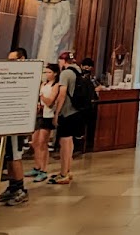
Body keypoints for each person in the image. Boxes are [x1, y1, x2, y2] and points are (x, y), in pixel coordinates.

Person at [50, 51, 86, 185]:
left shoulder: (65, 74)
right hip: (77, 111)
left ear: (63, 61)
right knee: (69, 142)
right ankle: (68, 170)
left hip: (67, 112)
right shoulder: (79, 71)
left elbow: (62, 94)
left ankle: (64, 173)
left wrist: (56, 113)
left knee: (64, 143)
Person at [0, 48, 29, 206]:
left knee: (16, 156)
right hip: (6, 121)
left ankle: (20, 188)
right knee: (9, 156)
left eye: (13, 60)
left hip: (17, 122)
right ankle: (12, 186)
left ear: (22, 59)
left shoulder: (27, 77)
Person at [27, 63, 59, 182]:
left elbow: (50, 101)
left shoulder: (55, 86)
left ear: (55, 73)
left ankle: (44, 169)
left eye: (49, 72)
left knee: (42, 142)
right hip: (39, 114)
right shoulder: (43, 84)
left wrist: (42, 97)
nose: (47, 74)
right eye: (46, 72)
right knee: (35, 142)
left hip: (48, 115)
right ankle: (37, 166)